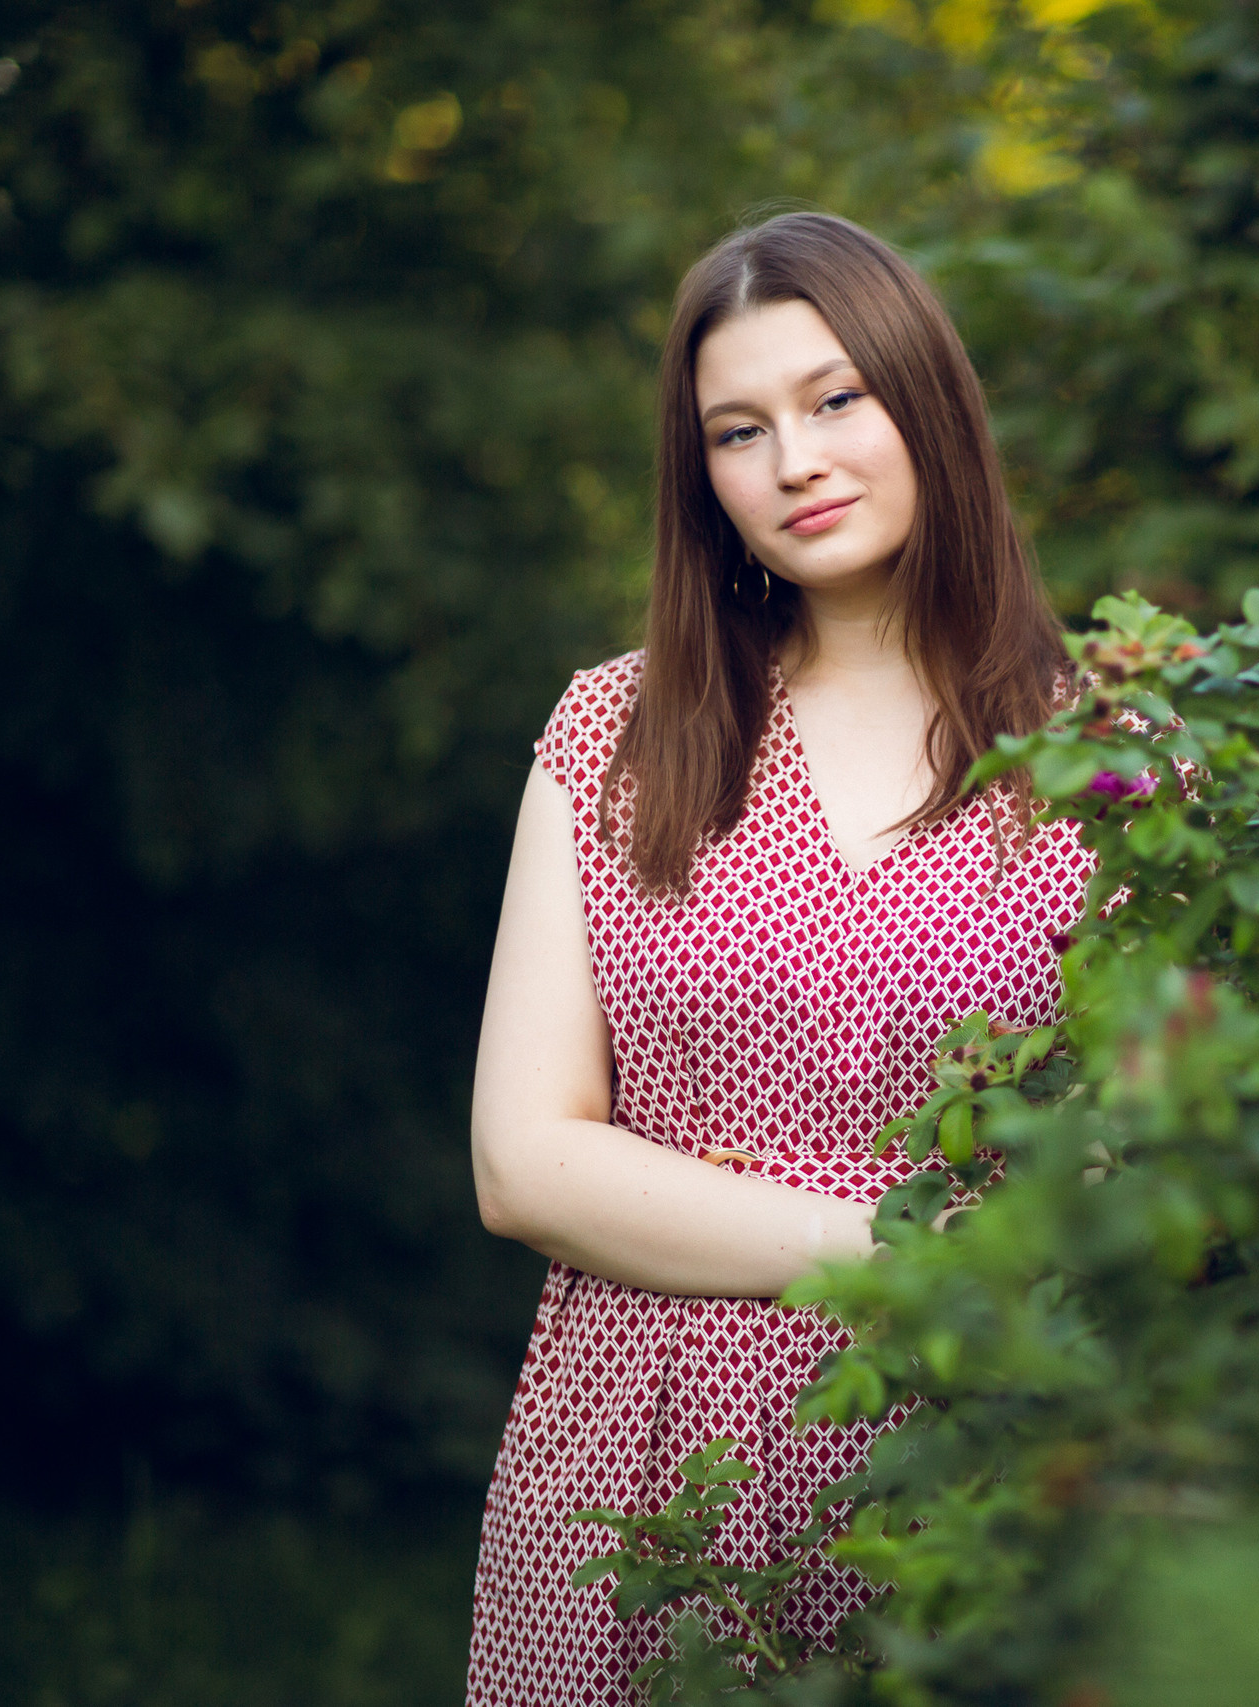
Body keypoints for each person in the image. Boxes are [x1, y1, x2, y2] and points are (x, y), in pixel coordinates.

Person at [462, 212, 1093, 1703]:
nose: (795, 461)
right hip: (632, 1482)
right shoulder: (614, 735)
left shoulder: (1113, 766)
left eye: (834, 401)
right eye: (738, 433)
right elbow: (522, 1165)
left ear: (925, 401)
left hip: (969, 1476)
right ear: (707, 483)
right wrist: (896, 1258)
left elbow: (1141, 1172)